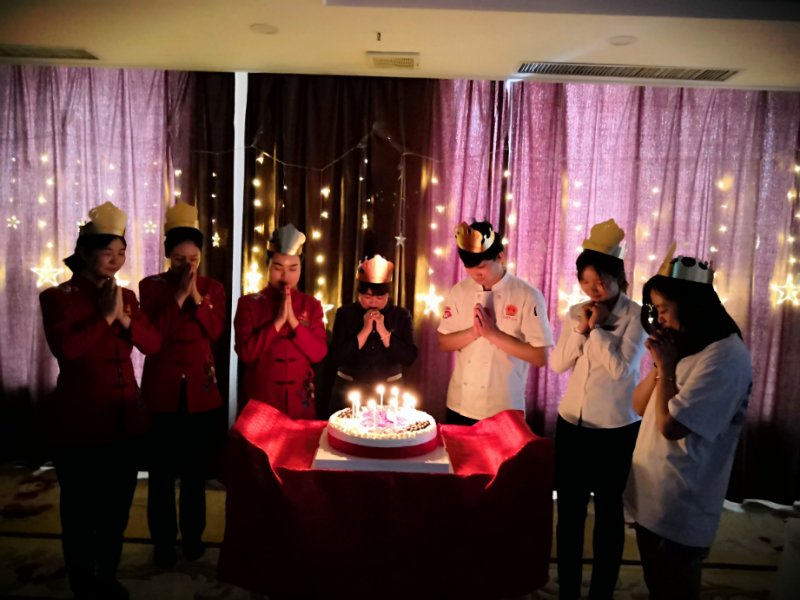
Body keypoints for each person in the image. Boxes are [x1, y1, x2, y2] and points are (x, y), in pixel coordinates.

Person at [39, 202, 160, 600]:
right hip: (79, 424)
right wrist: (105, 317)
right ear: (85, 252)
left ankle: (107, 575)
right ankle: (82, 582)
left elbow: (153, 344)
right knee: (79, 511)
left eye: (121, 253)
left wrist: (123, 317)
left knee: (116, 509)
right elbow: (68, 349)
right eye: (108, 252)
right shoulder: (57, 297)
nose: (116, 260)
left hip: (125, 422)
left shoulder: (127, 296)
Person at [624, 251, 752, 600]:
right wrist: (660, 365)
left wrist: (667, 368)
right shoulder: (686, 345)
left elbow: (671, 426)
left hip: (681, 498)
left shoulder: (725, 356)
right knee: (657, 583)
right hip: (653, 491)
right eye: (656, 310)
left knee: (675, 585)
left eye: (664, 309)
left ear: (692, 305)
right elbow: (639, 405)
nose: (659, 320)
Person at [549, 219, 647, 600]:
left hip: (615, 430)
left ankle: (602, 592)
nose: (593, 289)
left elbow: (623, 369)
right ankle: (568, 590)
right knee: (570, 516)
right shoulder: (577, 312)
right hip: (572, 424)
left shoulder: (637, 315)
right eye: (586, 281)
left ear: (618, 277)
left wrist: (600, 330)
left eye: (601, 281)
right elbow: (558, 364)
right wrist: (580, 329)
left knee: (608, 515)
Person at [138, 202, 226, 568]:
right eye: (178, 260)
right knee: (160, 475)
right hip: (162, 392)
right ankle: (162, 542)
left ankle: (193, 539)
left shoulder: (213, 288)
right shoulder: (150, 287)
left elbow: (216, 331)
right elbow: (153, 336)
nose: (187, 267)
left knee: (194, 474)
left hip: (201, 394)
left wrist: (197, 298)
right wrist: (178, 297)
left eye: (193, 260)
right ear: (167, 257)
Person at [437, 220, 553, 424]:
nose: (475, 274)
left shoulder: (528, 295)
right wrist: (474, 332)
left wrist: (492, 334)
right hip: (460, 403)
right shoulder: (460, 291)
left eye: (481, 267)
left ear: (500, 257)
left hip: (504, 408)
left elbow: (539, 357)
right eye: (468, 268)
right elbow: (444, 342)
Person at [234, 223, 327, 419]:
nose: (286, 276)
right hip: (261, 402)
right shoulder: (249, 304)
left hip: (299, 402)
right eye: (278, 268)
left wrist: (293, 321)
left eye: (293, 268)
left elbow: (318, 353)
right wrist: (277, 323)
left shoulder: (311, 305)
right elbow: (246, 353)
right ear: (267, 265)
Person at [328, 254, 418, 415]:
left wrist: (383, 331)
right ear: (359, 294)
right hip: (348, 392)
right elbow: (336, 357)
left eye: (379, 297)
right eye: (367, 297)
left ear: (388, 295)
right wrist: (365, 330)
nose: (373, 302)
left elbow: (409, 357)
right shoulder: (345, 314)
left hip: (389, 394)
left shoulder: (401, 315)